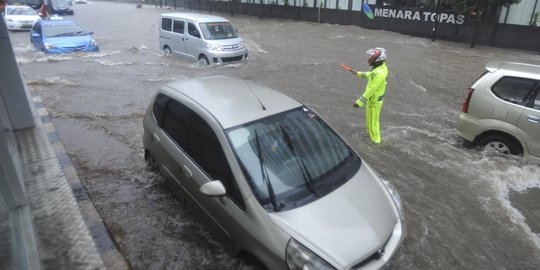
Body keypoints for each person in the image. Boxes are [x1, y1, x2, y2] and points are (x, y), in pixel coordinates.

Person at [348, 47, 388, 144]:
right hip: (372, 100)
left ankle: (376, 142)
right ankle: (372, 137)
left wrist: (359, 102)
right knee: (370, 122)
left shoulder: (380, 74)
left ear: (377, 60)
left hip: (374, 102)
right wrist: (357, 73)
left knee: (373, 123)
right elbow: (371, 74)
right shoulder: (380, 68)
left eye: (371, 57)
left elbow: (371, 90)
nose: (369, 59)